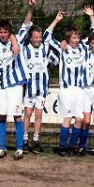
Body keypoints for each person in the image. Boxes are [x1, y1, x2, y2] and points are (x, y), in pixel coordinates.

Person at [45, 6, 94, 156]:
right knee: (68, 118)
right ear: (68, 39)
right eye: (74, 38)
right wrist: (56, 20)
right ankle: (62, 146)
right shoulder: (63, 48)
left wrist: (91, 17)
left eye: (78, 37)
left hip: (80, 90)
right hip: (66, 90)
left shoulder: (83, 48)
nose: (77, 40)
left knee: (80, 119)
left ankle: (71, 146)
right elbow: (46, 37)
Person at [0, 0, 34, 160]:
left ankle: (19, 148)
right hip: (0, 85)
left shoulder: (17, 40)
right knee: (1, 115)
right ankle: (2, 148)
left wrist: (30, 8)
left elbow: (26, 25)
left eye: (6, 32)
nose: (3, 35)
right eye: (0, 32)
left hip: (14, 84)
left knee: (16, 115)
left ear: (10, 33)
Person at [21, 23, 60, 153]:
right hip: (29, 89)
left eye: (39, 37)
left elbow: (48, 33)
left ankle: (36, 139)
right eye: (35, 37)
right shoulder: (25, 50)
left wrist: (56, 20)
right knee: (27, 114)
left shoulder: (46, 48)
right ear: (31, 38)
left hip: (42, 89)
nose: (38, 39)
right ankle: (24, 139)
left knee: (39, 114)